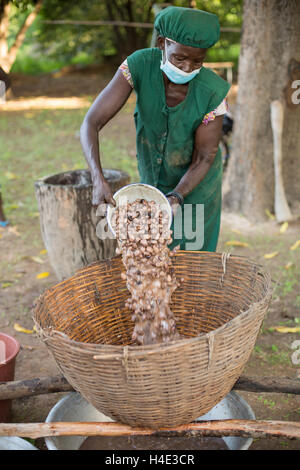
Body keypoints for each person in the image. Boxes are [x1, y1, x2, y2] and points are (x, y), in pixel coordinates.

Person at [80, 6, 230, 251]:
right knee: (149, 253)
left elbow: (205, 157)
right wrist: (98, 178)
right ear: (162, 43)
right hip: (153, 181)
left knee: (191, 258)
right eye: (179, 57)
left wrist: (177, 196)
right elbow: (91, 123)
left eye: (197, 61)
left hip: (196, 185)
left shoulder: (213, 92)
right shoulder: (139, 66)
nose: (187, 67)